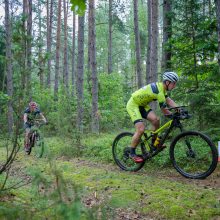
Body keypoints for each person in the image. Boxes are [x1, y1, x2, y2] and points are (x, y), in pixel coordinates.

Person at [126, 72, 179, 163]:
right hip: (133, 104)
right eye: (173, 83)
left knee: (156, 120)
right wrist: (173, 114)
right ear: (167, 82)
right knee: (141, 129)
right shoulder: (159, 91)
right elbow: (164, 110)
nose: (174, 85)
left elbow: (168, 100)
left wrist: (179, 110)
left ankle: (154, 144)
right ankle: (132, 153)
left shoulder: (162, 89)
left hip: (141, 105)